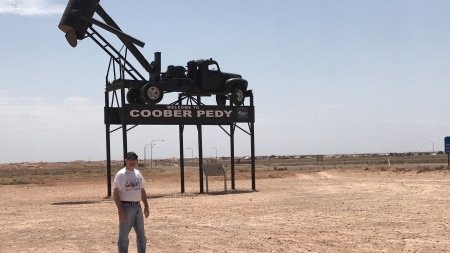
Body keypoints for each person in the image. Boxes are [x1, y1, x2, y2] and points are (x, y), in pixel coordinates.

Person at [113, 151, 149, 253]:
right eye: (130, 159)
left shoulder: (138, 173)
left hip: (138, 207)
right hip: (126, 207)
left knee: (142, 236)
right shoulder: (121, 175)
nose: (133, 162)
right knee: (123, 237)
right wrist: (120, 210)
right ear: (126, 161)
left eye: (134, 159)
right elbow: (116, 193)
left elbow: (142, 190)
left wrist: (146, 205)